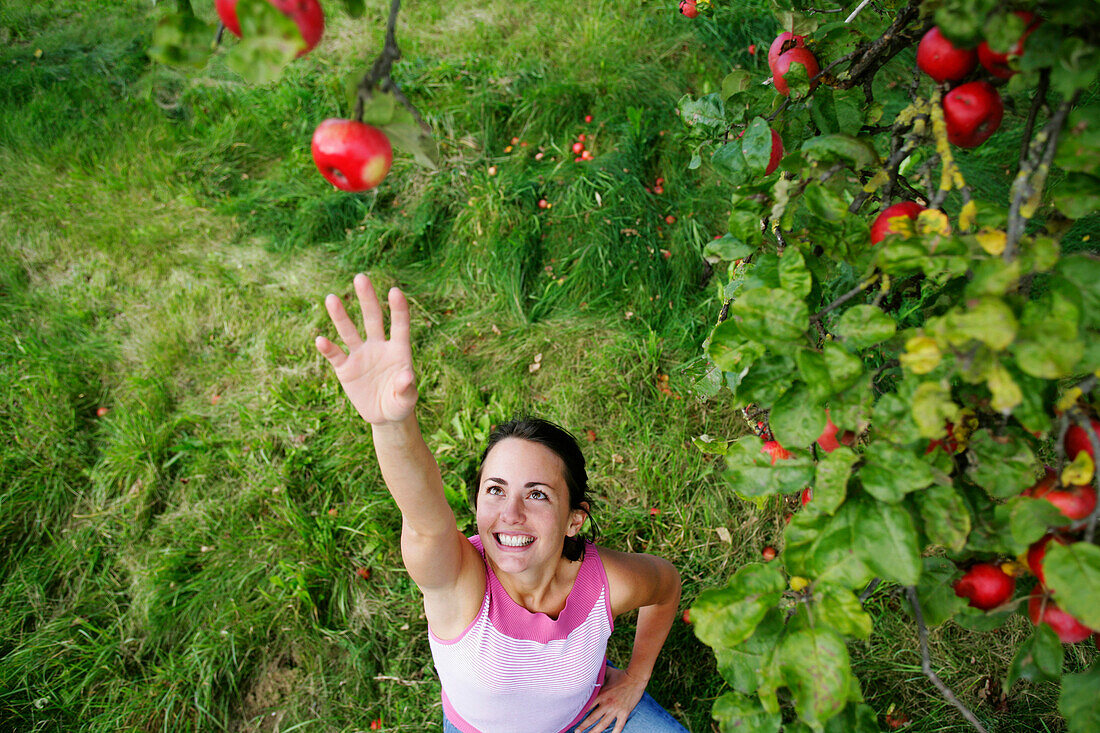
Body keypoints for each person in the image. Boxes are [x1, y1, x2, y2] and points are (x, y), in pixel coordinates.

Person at [315, 274, 687, 733]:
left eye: (537, 494)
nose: (510, 514)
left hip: (586, 720)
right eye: (495, 489)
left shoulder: (606, 583)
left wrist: (634, 679)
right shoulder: (459, 583)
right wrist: (393, 425)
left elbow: (666, 586)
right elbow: (426, 521)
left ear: (575, 520)